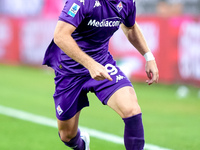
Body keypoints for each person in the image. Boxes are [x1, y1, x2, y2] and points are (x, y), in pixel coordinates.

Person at [43, 0, 159, 149]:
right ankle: (81, 144)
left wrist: (149, 56)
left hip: (103, 64)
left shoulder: (127, 2)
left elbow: (130, 27)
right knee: (67, 134)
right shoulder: (81, 2)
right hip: (70, 71)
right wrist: (90, 64)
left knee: (132, 110)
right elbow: (60, 36)